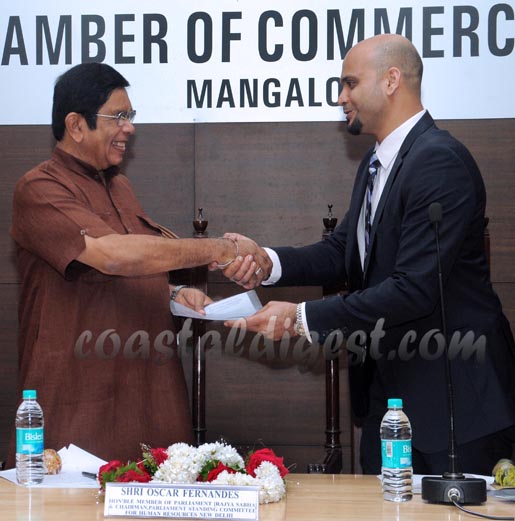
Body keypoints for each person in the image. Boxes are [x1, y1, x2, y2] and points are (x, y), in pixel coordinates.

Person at [219, 34, 515, 475]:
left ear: (392, 80)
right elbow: (346, 250)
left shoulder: (439, 162)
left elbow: (413, 289)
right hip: (391, 401)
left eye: (350, 83)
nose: (341, 98)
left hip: (455, 408)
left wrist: (300, 318)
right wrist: (267, 261)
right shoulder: (376, 163)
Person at [8, 62, 265, 466]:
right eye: (118, 116)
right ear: (76, 125)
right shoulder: (39, 188)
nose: (129, 128)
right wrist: (218, 250)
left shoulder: (120, 187)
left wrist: (172, 293)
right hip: (81, 403)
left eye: (130, 116)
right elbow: (113, 256)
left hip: (150, 397)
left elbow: (107, 278)